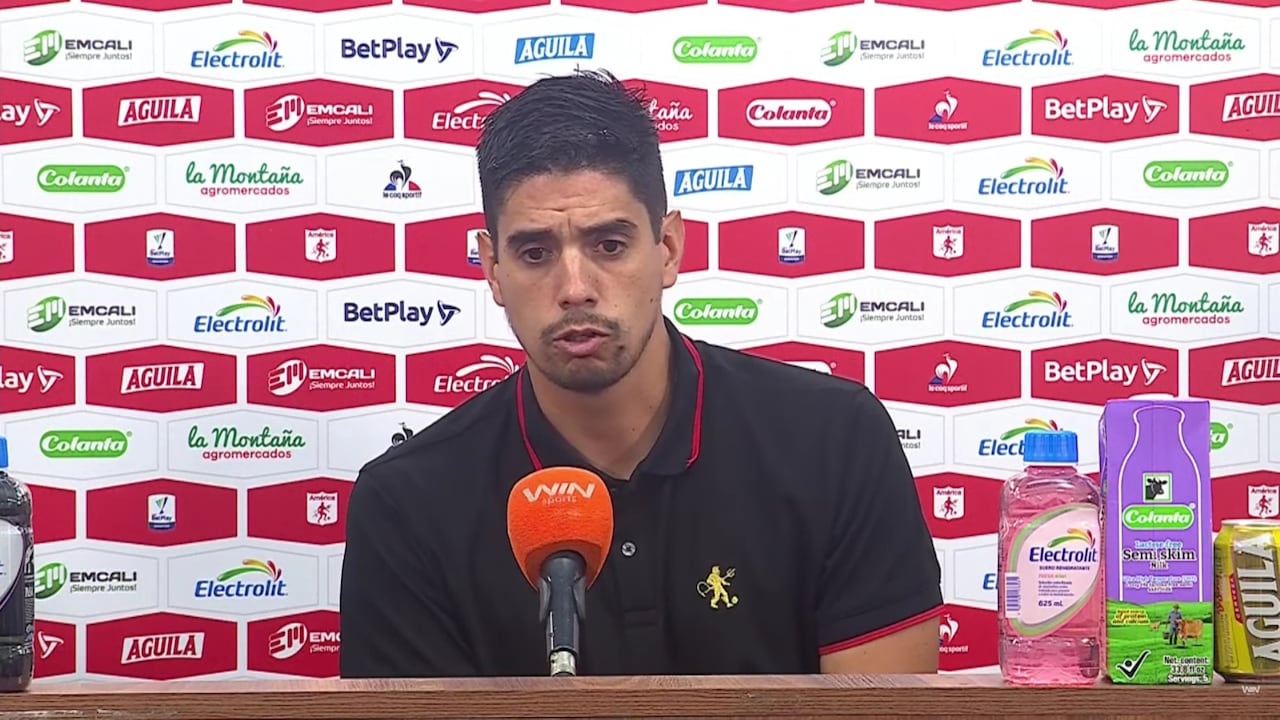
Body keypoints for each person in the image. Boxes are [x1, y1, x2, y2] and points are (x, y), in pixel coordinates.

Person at [338, 69, 943, 678]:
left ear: (669, 248)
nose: (575, 290)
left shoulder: (833, 441)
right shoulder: (407, 503)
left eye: (608, 245)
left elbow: (884, 704)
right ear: (492, 268)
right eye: (535, 252)